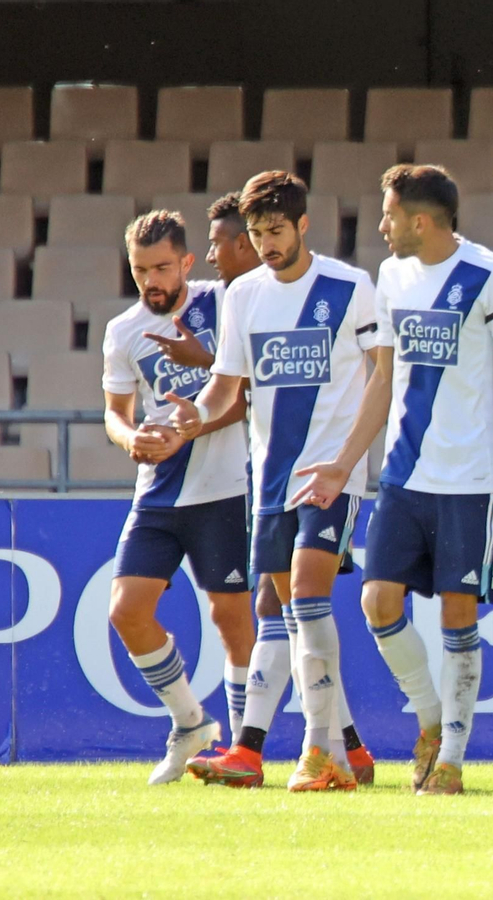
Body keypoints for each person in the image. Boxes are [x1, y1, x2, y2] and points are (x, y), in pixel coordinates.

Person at [292, 164, 493, 795]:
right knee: (378, 602)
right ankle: (430, 719)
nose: (380, 226)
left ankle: (451, 760)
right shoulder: (393, 277)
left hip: (471, 478)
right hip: (403, 475)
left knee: (460, 612)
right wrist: (346, 463)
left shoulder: (492, 274)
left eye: (389, 215)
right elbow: (383, 379)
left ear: (420, 221)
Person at [172, 171, 379, 792]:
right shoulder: (244, 297)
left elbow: (381, 379)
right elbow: (227, 386)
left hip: (330, 474)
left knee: (309, 598)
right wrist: (194, 416)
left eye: (276, 230)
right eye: (257, 233)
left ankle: (319, 755)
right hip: (270, 478)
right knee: (290, 616)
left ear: (303, 225)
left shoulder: (349, 287)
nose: (266, 243)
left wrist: (351, 462)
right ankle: (340, 750)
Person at [100, 210, 253, 784]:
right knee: (127, 611)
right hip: (159, 491)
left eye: (162, 267)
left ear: (188, 262)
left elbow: (246, 397)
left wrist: (188, 428)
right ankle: (190, 723)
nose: (152, 281)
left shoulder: (224, 304)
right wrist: (131, 436)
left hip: (225, 487)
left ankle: (243, 750)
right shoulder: (123, 331)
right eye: (141, 270)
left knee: (231, 619)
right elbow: (115, 415)